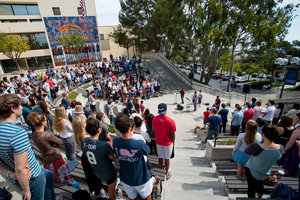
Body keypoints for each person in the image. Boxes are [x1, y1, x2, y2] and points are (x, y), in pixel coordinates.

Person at [0, 94, 55, 200]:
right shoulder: (17, 133)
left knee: (50, 176)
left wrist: (10, 175)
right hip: (33, 178)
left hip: (18, 175)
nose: (22, 107)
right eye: (20, 105)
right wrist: (26, 190)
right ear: (13, 108)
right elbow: (21, 169)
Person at [27, 112, 76, 187]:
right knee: (64, 175)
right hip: (55, 157)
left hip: (46, 158)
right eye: (46, 120)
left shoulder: (34, 135)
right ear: (43, 123)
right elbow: (59, 141)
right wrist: (53, 143)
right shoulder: (47, 135)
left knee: (55, 175)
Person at [113, 113, 154, 200]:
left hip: (126, 178)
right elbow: (148, 151)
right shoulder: (139, 144)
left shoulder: (115, 141)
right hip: (141, 178)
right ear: (130, 126)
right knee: (147, 197)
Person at [244, 125, 284, 198]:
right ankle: (259, 196)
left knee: (251, 187)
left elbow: (246, 152)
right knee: (260, 185)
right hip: (266, 171)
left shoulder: (256, 147)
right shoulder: (280, 148)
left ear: (263, 134)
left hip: (252, 170)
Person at [83, 117, 117, 200]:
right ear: (99, 130)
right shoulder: (104, 145)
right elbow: (113, 158)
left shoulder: (84, 141)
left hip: (96, 171)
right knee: (112, 191)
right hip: (108, 173)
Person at [152, 103, 176, 179]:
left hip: (158, 142)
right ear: (166, 110)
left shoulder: (155, 119)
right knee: (167, 158)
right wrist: (173, 141)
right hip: (167, 143)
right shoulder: (171, 121)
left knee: (160, 157)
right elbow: (172, 134)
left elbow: (153, 130)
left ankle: (161, 171)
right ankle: (166, 173)